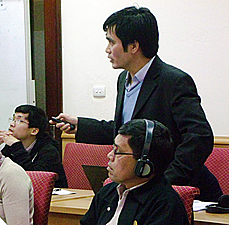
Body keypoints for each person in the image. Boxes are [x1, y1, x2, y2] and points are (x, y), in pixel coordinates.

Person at [51, 6, 222, 201]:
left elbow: (199, 136)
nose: (107, 49)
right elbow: (128, 133)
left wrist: (168, 181)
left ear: (133, 46)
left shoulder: (173, 81)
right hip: (141, 190)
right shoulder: (124, 80)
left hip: (183, 193)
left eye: (111, 42)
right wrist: (80, 125)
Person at [81, 119, 189, 225]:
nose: (109, 155)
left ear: (143, 164)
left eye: (118, 152)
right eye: (113, 148)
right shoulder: (108, 192)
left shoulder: (165, 205)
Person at [0, 104, 68, 188]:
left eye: (19, 121)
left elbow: (34, 179)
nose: (12, 124)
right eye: (13, 119)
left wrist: (16, 147)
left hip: (55, 198)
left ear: (34, 131)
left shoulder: (49, 151)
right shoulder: (11, 147)